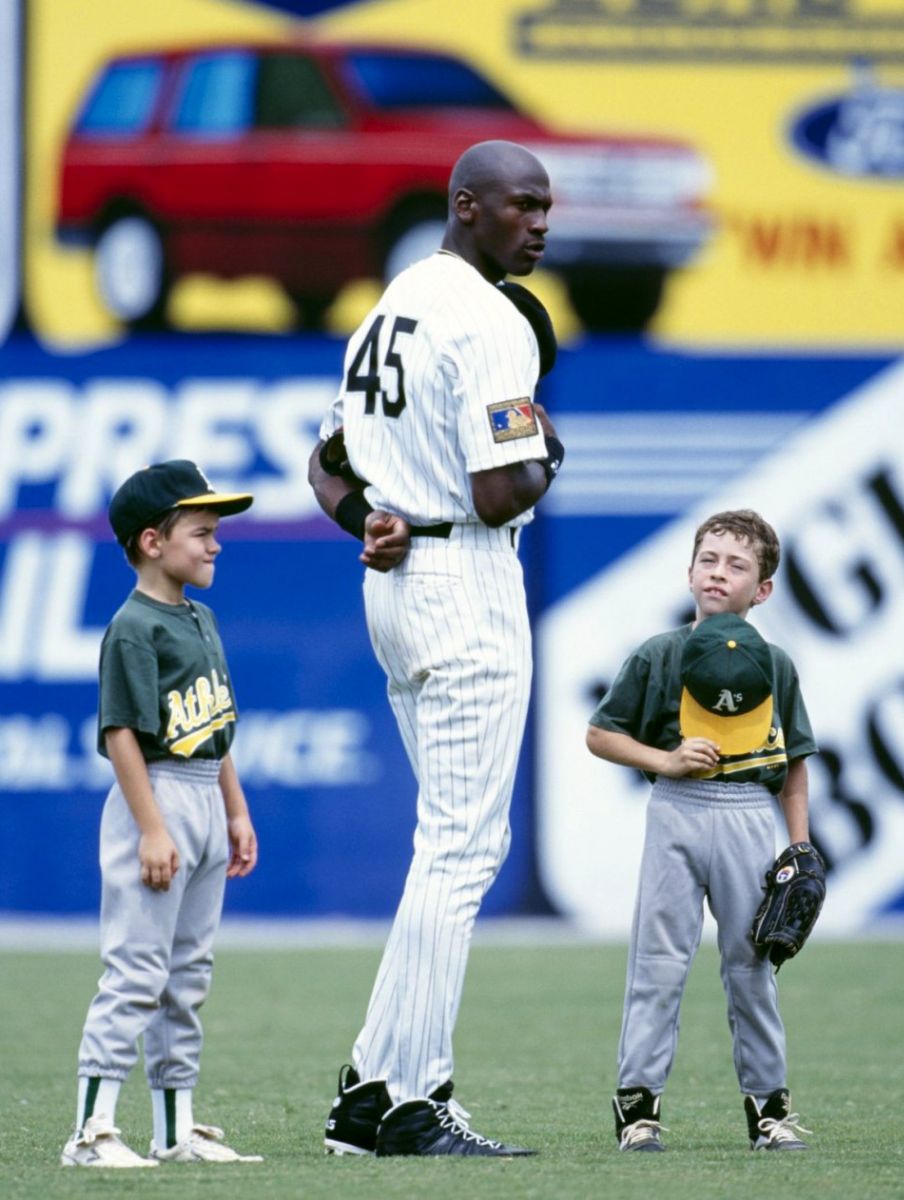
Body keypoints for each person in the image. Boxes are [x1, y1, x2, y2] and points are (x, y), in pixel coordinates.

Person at [308, 140, 564, 1158]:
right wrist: (547, 445)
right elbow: (503, 489)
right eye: (522, 205)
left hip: (396, 578)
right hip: (464, 580)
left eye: (546, 207)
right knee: (460, 850)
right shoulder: (491, 318)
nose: (539, 222)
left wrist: (367, 511)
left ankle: (377, 1083)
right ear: (467, 206)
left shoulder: (392, 301)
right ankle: (402, 1102)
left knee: (446, 844)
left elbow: (324, 463)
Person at [586, 509, 818, 1153]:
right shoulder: (659, 653)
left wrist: (798, 846)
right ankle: (638, 1110)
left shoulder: (776, 664)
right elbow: (600, 734)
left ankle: (769, 1110)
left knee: (753, 964)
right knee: (658, 963)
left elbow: (794, 765)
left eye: (737, 565)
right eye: (709, 559)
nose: (719, 572)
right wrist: (664, 760)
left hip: (748, 812)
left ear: (763, 589)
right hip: (676, 809)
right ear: (689, 570)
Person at [61, 460, 263, 1168]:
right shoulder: (133, 626)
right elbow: (121, 733)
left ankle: (173, 1129)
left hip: (205, 790)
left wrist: (235, 811)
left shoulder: (199, 617)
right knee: (137, 970)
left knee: (188, 973)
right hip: (158, 794)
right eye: (201, 532)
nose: (215, 545)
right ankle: (91, 1132)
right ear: (152, 541)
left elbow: (218, 725)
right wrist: (152, 826)